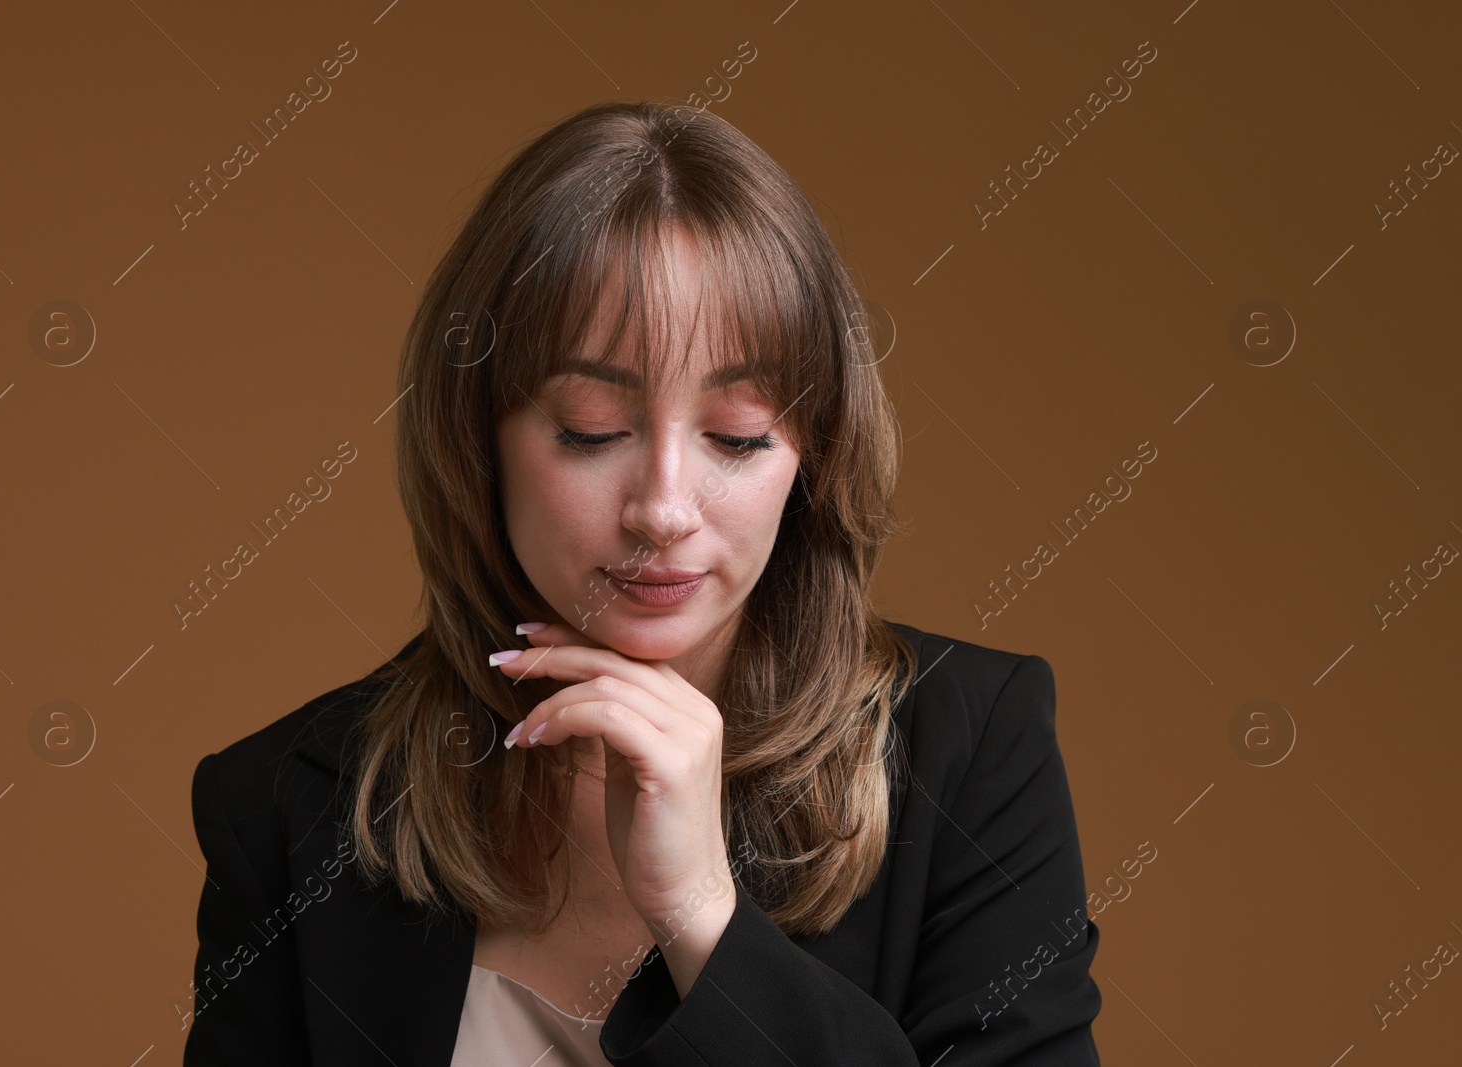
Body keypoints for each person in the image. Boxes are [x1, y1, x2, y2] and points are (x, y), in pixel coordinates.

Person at [182, 99, 1103, 1066]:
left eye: (739, 436)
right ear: (476, 438)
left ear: (811, 453)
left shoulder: (970, 749)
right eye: (590, 429)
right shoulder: (288, 804)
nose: (664, 509)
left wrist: (702, 914)